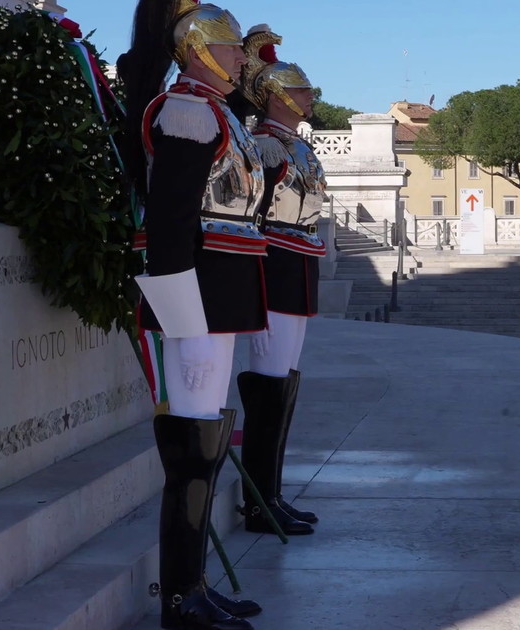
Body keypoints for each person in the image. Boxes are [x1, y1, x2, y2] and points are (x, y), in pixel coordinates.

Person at [119, 2, 266, 628]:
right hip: (197, 290)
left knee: (204, 440)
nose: (241, 58)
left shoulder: (215, 112)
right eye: (232, 48)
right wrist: (177, 305)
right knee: (192, 448)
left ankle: (195, 584)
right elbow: (172, 215)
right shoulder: (187, 110)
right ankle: (181, 598)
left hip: (221, 288)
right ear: (201, 48)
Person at [233, 26, 325, 536]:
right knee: (268, 384)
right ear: (277, 95)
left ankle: (271, 492)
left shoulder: (293, 145)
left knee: (284, 383)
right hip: (275, 264)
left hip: (298, 263)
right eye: (302, 89)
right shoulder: (266, 146)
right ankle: (257, 500)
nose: (311, 97)